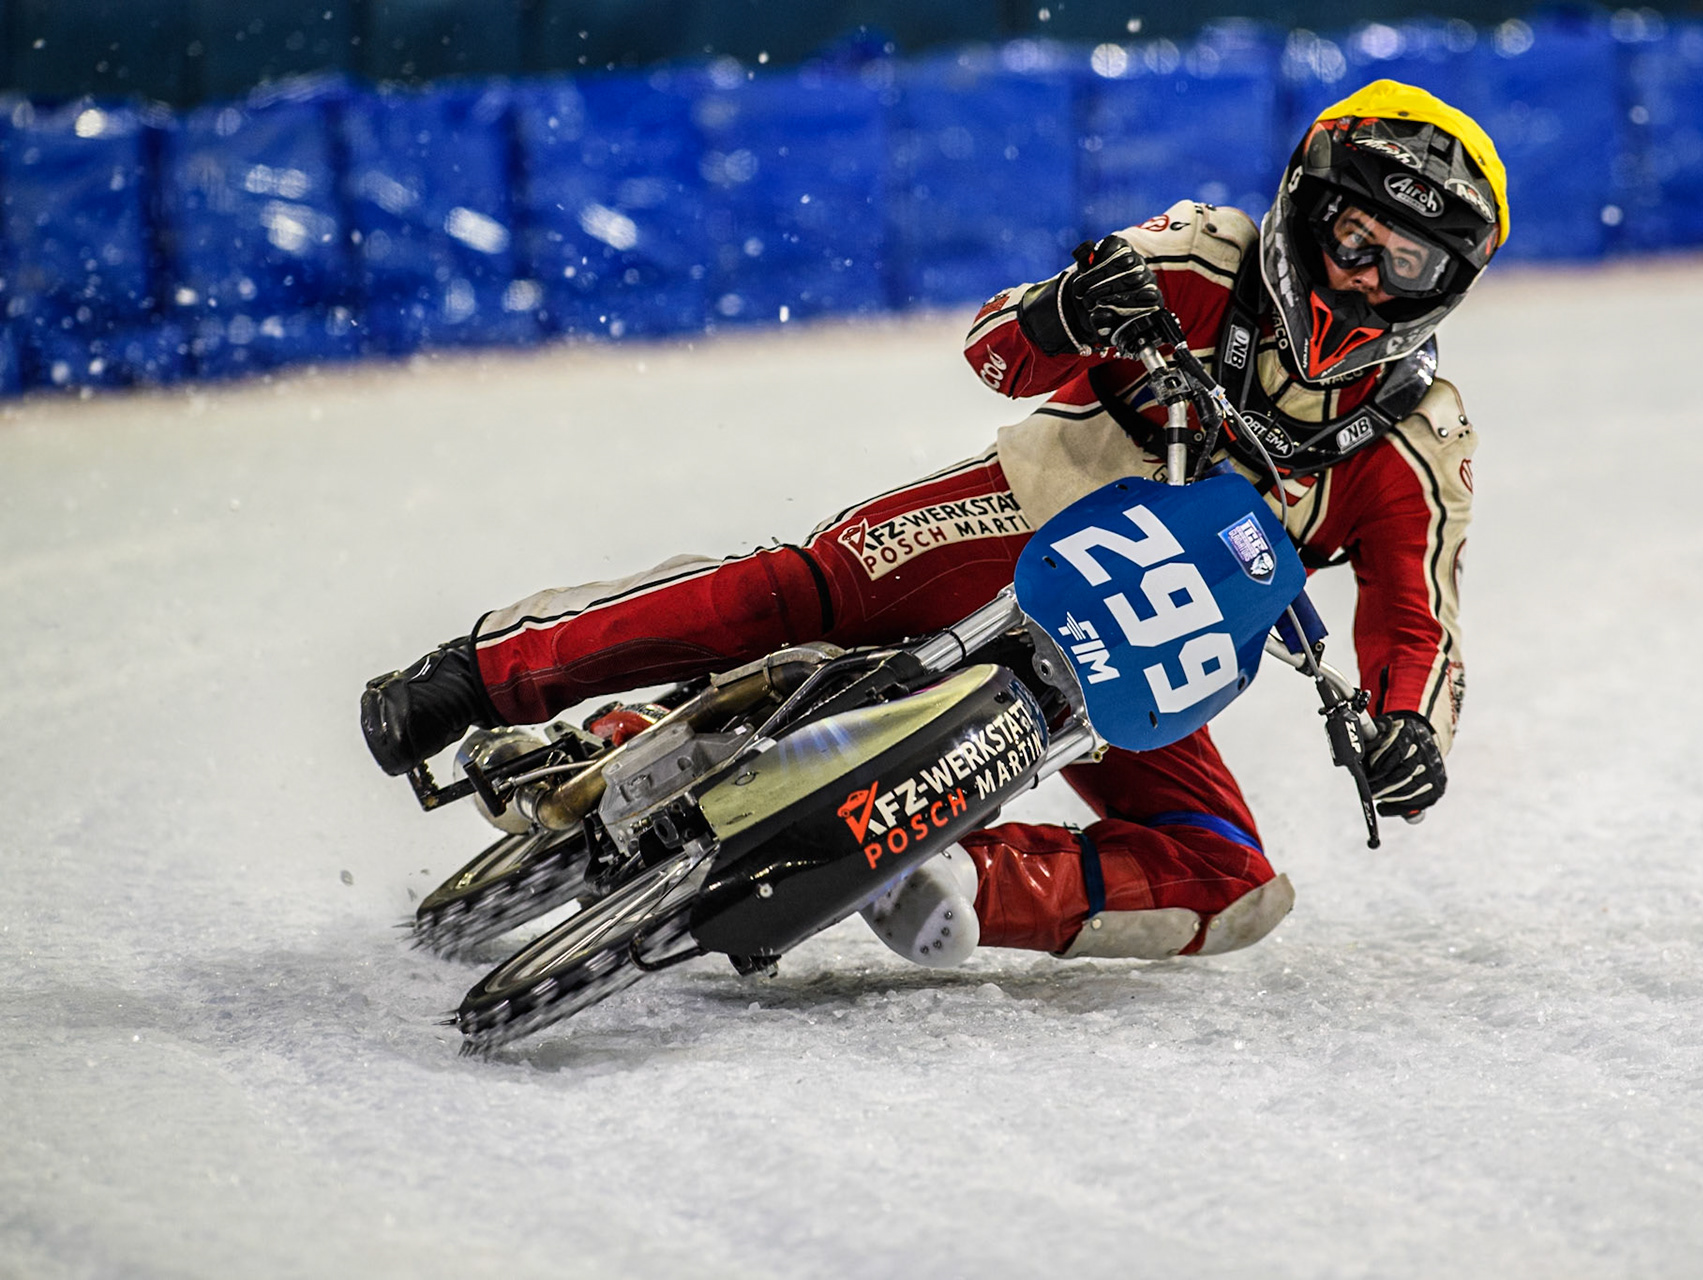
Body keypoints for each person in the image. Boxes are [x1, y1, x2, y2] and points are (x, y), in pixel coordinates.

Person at [361, 80, 1505, 969]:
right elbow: (996, 350)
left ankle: (947, 868)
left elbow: (1419, 612)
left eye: (1406, 267)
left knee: (1235, 883)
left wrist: (1411, 727)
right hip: (1011, 516)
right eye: (1355, 241)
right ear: (1306, 211)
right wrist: (1064, 310)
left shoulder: (1417, 433)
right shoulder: (1198, 255)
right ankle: (489, 673)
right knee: (793, 590)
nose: (1365, 285)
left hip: (1144, 654)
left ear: (1444, 289)